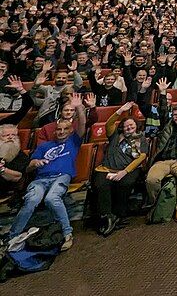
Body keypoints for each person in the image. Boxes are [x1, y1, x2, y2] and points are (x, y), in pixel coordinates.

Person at [6, 93, 86, 251]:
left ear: (70, 131)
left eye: (65, 129)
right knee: (31, 201)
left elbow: (82, 122)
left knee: (52, 198)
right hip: (40, 179)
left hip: (61, 177)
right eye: (58, 130)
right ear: (55, 131)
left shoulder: (73, 142)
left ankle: (67, 233)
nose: (61, 132)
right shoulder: (44, 146)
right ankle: (12, 236)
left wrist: (79, 107)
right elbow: (28, 168)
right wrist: (34, 164)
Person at [91, 101, 148, 236]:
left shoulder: (141, 140)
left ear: (136, 127)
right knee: (101, 185)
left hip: (128, 170)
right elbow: (108, 124)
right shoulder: (115, 136)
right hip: (106, 168)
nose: (128, 128)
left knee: (125, 183)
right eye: (126, 126)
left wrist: (124, 172)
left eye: (131, 125)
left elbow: (141, 157)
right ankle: (107, 217)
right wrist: (120, 110)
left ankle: (119, 214)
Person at [145, 78, 177, 222]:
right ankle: (158, 202)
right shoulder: (167, 124)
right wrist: (162, 92)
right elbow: (163, 110)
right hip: (163, 161)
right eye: (176, 115)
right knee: (151, 180)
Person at [0, 124, 30, 200]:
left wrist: (2, 169)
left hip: (6, 188)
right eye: (6, 135)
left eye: (13, 135)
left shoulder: (21, 156)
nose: (10, 137)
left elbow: (19, 176)